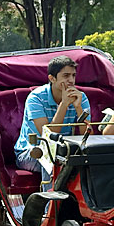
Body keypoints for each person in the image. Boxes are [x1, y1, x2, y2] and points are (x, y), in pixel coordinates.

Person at [14, 55, 90, 191]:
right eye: (66, 76)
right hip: (31, 152)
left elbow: (87, 135)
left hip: (65, 150)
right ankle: (50, 208)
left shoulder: (81, 97)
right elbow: (49, 135)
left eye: (73, 75)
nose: (71, 80)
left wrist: (78, 108)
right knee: (50, 156)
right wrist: (64, 104)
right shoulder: (35, 98)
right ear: (52, 78)